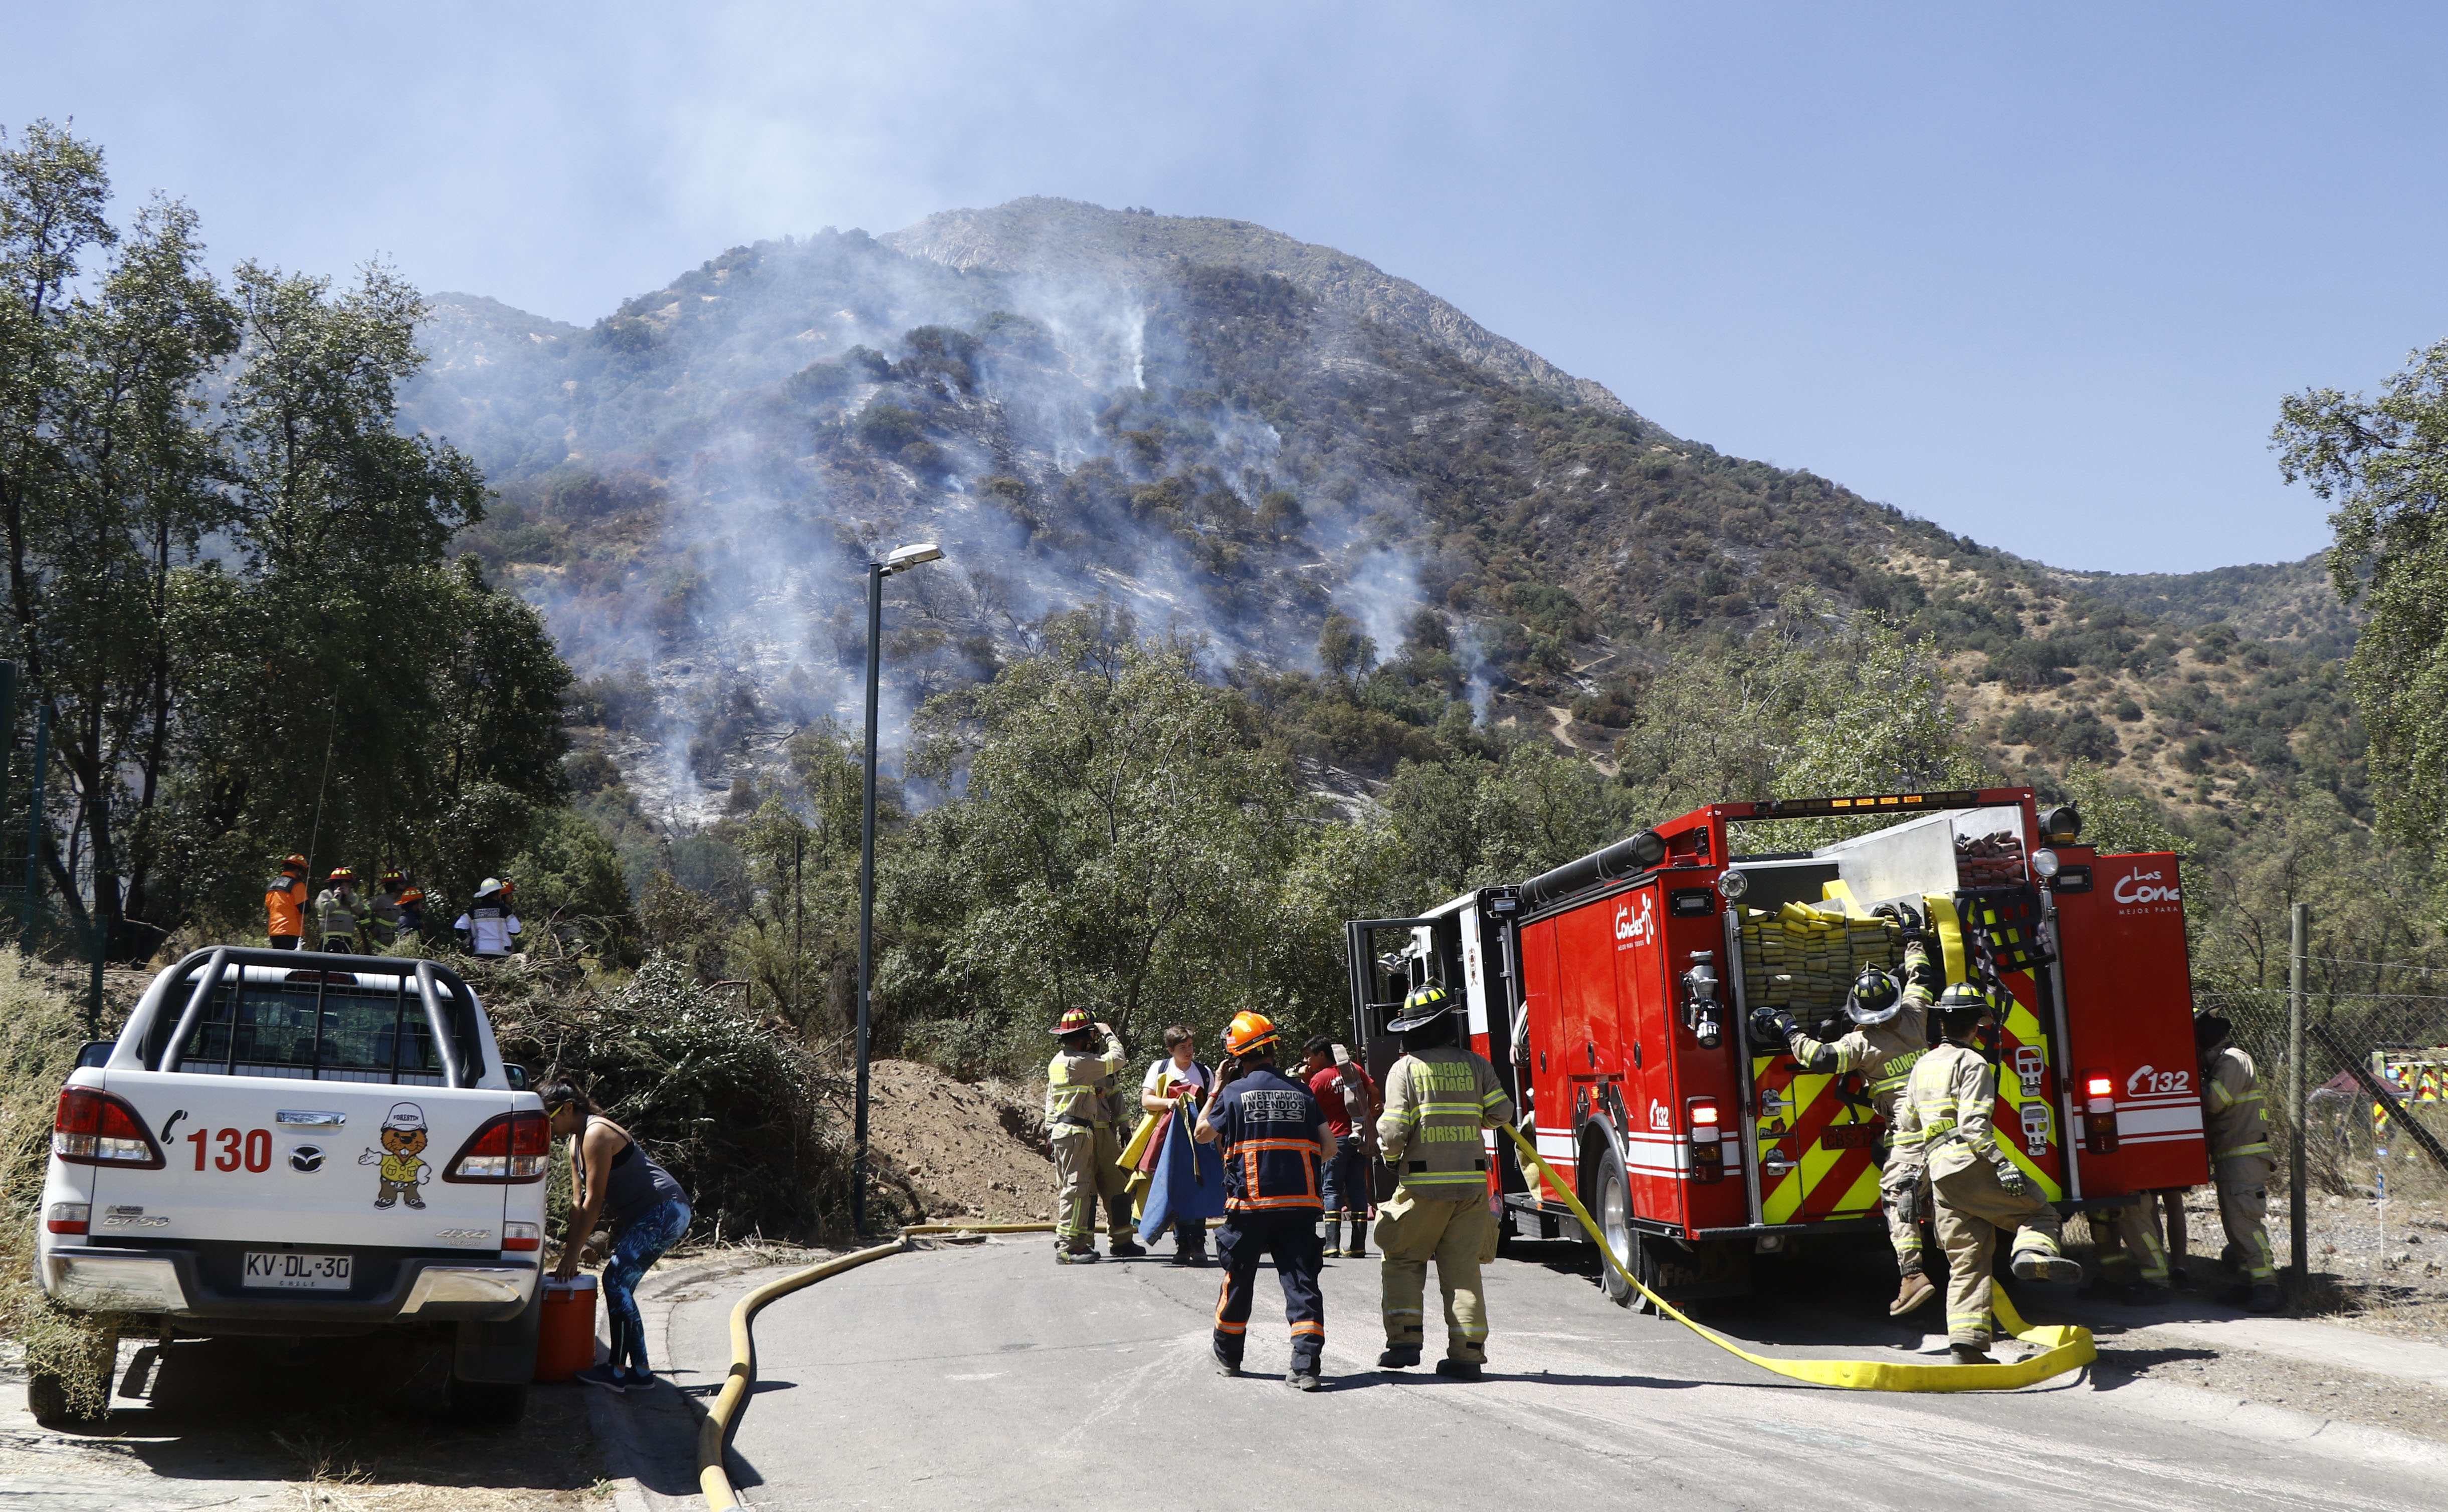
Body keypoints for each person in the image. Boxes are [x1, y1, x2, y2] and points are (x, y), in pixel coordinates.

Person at [1750, 904, 1938, 1316]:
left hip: (1909, 1133)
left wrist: (1785, 1026)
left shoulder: (1859, 1044)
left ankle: (1912, 1275)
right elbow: (1921, 976)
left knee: (1898, 1196)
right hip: (1951, 1125)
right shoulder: (1916, 1015)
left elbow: (1817, 1057)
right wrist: (1912, 940)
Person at [1895, 981, 2083, 1364]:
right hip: (1970, 1161)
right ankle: (2031, 1253)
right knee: (2040, 1211)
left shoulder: (1923, 1065)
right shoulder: (1973, 1063)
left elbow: (1907, 1131)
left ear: (1942, 1025)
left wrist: (1910, 1181)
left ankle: (1966, 1345)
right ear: (1976, 1026)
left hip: (1940, 1174)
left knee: (1967, 1257)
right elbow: (1974, 1125)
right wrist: (2000, 1162)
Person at [1374, 983, 1515, 1382]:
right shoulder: (1476, 1064)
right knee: (1463, 1270)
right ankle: (1468, 1354)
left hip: (1422, 1187)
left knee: (1402, 1257)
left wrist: (1389, 1158)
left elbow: (1395, 1129)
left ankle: (1404, 1342)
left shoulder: (1406, 1069)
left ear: (1411, 1029)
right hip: (1471, 1188)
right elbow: (1502, 1112)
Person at [1195, 1011, 1331, 1391]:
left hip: (1251, 1206)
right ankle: (1305, 1367)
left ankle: (1228, 1355)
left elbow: (1203, 1133)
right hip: (1300, 1204)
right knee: (1302, 1283)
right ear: (1273, 1049)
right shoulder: (1303, 1092)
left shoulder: (1235, 1093)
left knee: (1239, 1279)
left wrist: (1217, 1089)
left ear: (1238, 1057)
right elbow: (1331, 1146)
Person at [541, 1078, 692, 1393]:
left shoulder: (596, 1133)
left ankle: (618, 1372)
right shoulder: (574, 1142)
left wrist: (572, 1255)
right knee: (620, 1285)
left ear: (568, 1108)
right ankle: (640, 1372)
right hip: (649, 1216)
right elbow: (578, 1202)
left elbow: (595, 1201)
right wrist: (570, 1250)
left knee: (615, 1281)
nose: (547, 1125)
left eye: (549, 1117)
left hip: (666, 1210)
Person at [2193, 1008, 2280, 1312]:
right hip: (2233, 1157)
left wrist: (2190, 1083)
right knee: (2235, 1226)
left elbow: (2215, 1101)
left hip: (2244, 1158)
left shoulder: (2232, 1061)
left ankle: (2266, 1286)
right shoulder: (2225, 1061)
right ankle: (2247, 1284)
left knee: (2246, 1224)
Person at [1045, 1009, 1142, 1263]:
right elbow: (1119, 1059)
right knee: (1079, 1190)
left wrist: (1124, 1128)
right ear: (1083, 1037)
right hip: (1077, 1132)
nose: (1092, 1039)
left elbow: (1113, 1096)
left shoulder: (1061, 1061)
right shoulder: (1081, 1063)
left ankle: (1118, 1240)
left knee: (1111, 1188)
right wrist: (1108, 1032)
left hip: (1088, 1132)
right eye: (1089, 1035)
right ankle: (1074, 1244)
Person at [1301, 1034, 1380, 1259]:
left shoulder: (1320, 1078)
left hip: (1335, 1141)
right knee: (1358, 1190)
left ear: (1322, 1055)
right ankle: (1358, 1246)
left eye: (1309, 1056)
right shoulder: (1354, 1069)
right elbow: (1375, 1094)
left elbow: (1308, 1107)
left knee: (1332, 1189)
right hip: (1358, 1138)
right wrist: (1369, 1120)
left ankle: (1331, 1245)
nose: (1307, 1062)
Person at [1140, 1025, 1212, 1266]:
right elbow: (1147, 1100)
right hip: (1170, 1142)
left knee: (1198, 1188)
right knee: (1176, 1188)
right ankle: (1182, 1243)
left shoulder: (1203, 1072)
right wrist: (1169, 1102)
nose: (1189, 1051)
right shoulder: (1160, 1069)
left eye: (1191, 1046)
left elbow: (1214, 1102)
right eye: (1183, 1048)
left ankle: (1199, 1243)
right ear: (1171, 1050)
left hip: (1199, 1140)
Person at [454, 878, 523, 959]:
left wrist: (469, 942)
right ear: (498, 895)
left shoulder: (473, 911)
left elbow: (459, 927)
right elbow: (516, 930)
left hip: (480, 953)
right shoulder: (504, 910)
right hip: (502, 954)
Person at [315, 868, 365, 953]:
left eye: (349, 884)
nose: (349, 886)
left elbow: (360, 910)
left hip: (347, 940)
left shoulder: (352, 897)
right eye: (346, 884)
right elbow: (325, 910)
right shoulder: (325, 894)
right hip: (329, 940)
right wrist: (337, 898)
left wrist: (349, 896)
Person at [265, 855, 309, 950]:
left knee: (278, 962)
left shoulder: (272, 886)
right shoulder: (297, 885)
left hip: (274, 931)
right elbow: (305, 908)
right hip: (291, 931)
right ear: (298, 871)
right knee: (289, 963)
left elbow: (269, 908)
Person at [367, 869, 411, 950]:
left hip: (401, 941)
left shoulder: (406, 900)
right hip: (382, 942)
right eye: (401, 883)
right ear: (393, 885)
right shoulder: (379, 900)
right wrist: (371, 928)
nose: (404, 886)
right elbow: (363, 912)